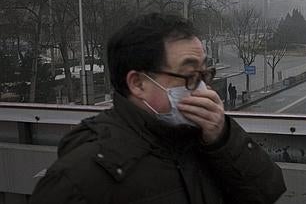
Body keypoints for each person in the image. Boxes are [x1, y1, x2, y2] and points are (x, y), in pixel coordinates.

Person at [30, 13, 285, 203]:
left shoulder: (203, 140)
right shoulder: (79, 178)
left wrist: (222, 138)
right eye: (189, 75)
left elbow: (267, 191)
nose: (205, 92)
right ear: (138, 83)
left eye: (204, 74)